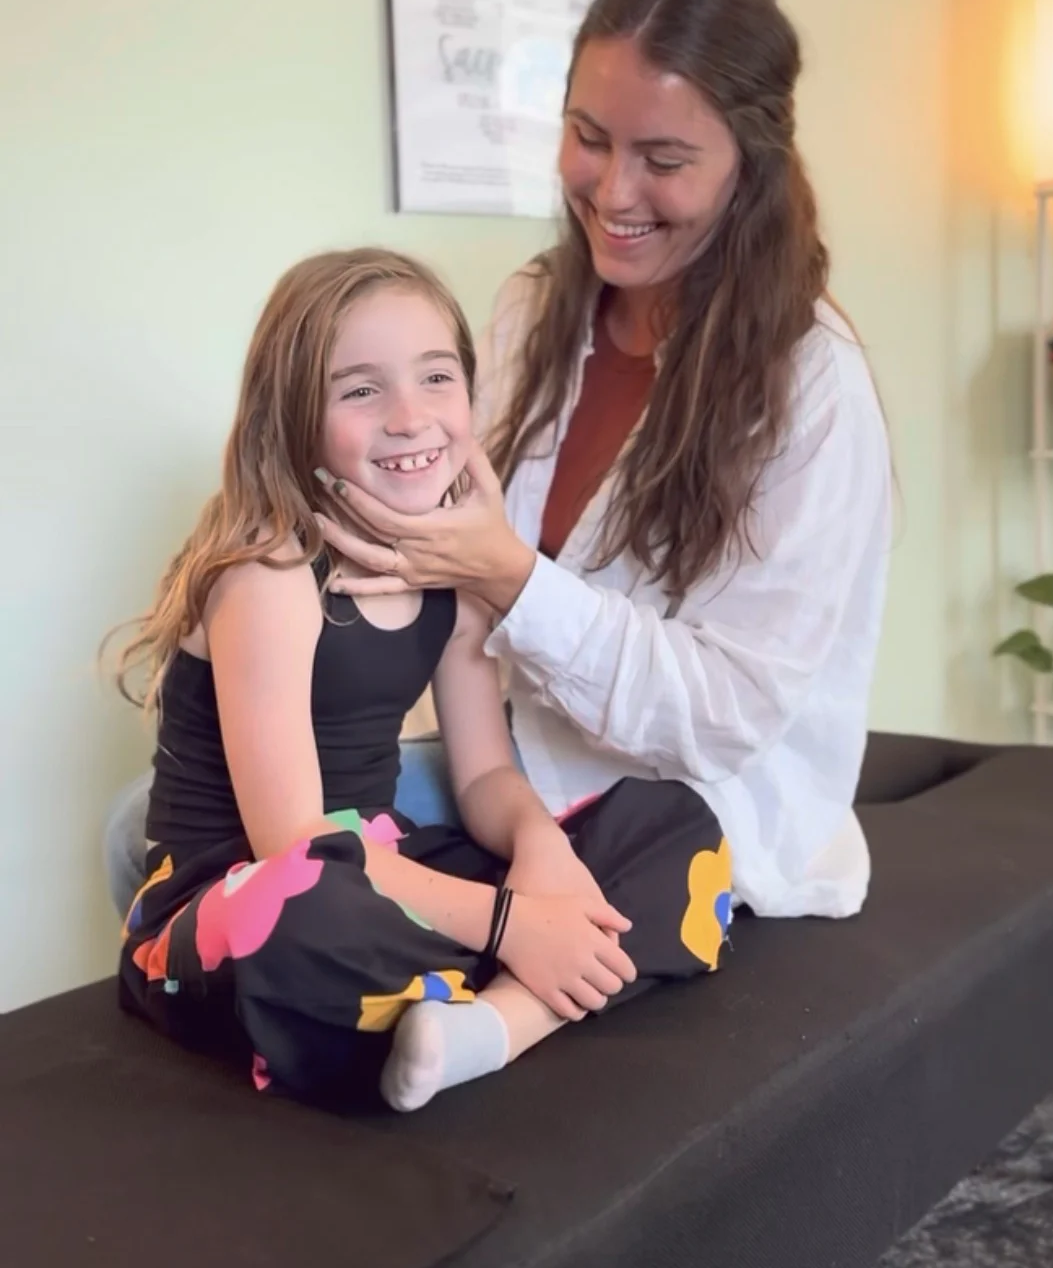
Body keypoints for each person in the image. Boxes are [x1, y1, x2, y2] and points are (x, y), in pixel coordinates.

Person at [108, 0, 890, 934]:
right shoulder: (534, 310)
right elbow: (424, 513)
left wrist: (513, 580)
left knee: (303, 875)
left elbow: (725, 717)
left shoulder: (811, 390)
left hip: (678, 791)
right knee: (149, 830)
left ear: (751, 167)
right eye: (587, 137)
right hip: (519, 756)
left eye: (663, 160)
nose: (611, 191)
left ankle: (476, 1023)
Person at [111, 248, 731, 1114]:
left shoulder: (450, 570)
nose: (411, 417)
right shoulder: (268, 574)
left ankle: (490, 1026)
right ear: (292, 416)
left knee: (678, 828)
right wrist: (515, 924)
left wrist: (539, 855)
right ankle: (503, 979)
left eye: (436, 378)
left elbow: (483, 775)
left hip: (382, 863)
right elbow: (294, 842)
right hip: (248, 898)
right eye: (360, 390)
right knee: (304, 911)